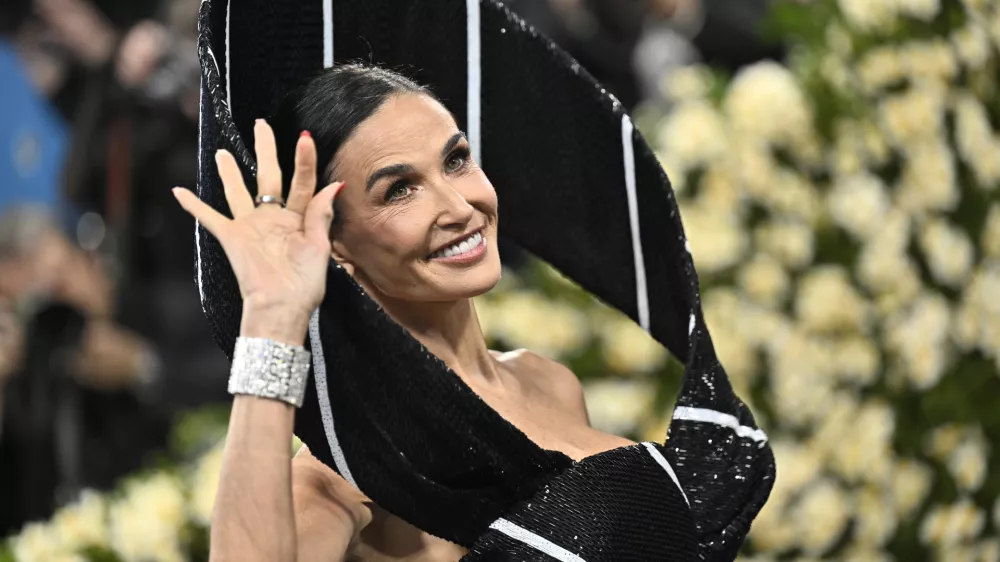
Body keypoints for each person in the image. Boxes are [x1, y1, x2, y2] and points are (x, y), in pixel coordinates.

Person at [190, 1, 774, 560]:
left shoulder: (550, 382)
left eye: (456, 160)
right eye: (400, 190)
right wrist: (272, 315)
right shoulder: (350, 474)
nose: (458, 206)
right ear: (335, 245)